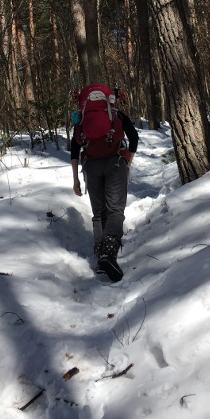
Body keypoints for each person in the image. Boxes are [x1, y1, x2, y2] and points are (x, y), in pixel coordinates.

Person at [71, 96, 138, 283]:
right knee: (115, 209)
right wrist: (127, 161)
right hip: (115, 163)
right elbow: (133, 136)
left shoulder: (82, 118)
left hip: (91, 166)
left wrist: (75, 178)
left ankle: (101, 258)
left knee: (99, 213)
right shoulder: (116, 115)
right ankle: (109, 253)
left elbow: (75, 148)